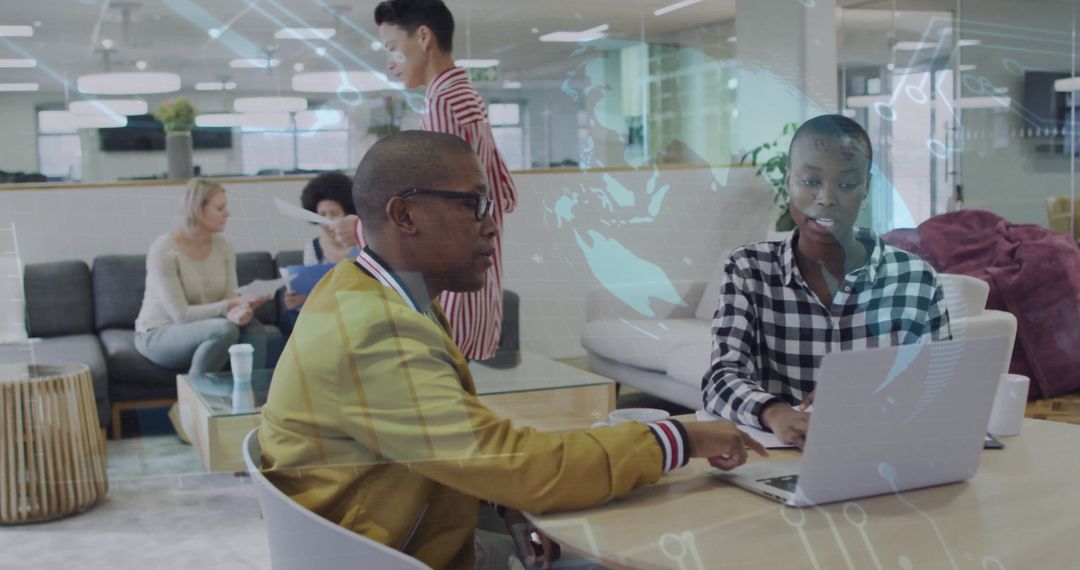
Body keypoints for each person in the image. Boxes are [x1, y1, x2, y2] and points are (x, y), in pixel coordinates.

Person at [259, 131, 766, 570]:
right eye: (473, 204)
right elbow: (522, 468)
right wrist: (678, 436)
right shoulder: (373, 331)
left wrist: (503, 502)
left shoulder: (365, 291)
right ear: (405, 214)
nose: (492, 225)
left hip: (400, 535)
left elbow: (470, 449)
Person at [701, 115, 951, 449]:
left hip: (885, 458)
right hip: (783, 460)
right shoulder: (749, 270)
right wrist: (775, 413)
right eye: (810, 181)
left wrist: (877, 389)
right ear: (789, 180)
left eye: (846, 185)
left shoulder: (915, 280)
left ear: (867, 187)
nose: (826, 198)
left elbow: (945, 386)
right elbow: (720, 378)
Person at [332, 0, 517, 361]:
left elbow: (438, 209)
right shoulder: (465, 98)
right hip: (472, 271)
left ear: (423, 36)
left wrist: (361, 230)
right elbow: (501, 194)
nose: (390, 63)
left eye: (393, 49)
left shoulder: (443, 104)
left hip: (449, 279)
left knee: (442, 388)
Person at [134, 178, 269, 379]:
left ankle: (249, 400)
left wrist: (242, 310)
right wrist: (229, 307)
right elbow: (181, 315)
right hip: (160, 332)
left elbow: (229, 297)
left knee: (254, 329)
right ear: (197, 210)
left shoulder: (223, 246)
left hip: (209, 326)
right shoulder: (166, 249)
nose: (228, 213)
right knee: (224, 330)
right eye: (220, 208)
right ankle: (192, 402)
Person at [281, 172, 360, 314]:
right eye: (321, 215)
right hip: (326, 312)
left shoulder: (362, 243)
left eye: (334, 213)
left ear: (347, 213)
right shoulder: (312, 248)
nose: (327, 220)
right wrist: (298, 301)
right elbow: (314, 293)